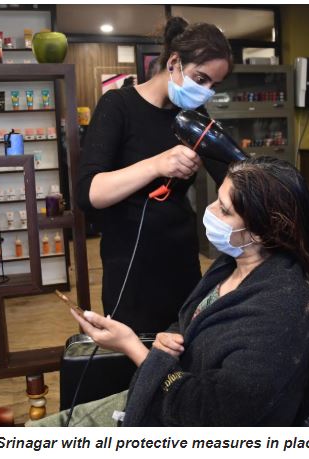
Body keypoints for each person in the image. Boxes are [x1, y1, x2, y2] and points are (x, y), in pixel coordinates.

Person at [31, 157, 309, 427]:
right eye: (216, 200)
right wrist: (167, 341)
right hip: (159, 399)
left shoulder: (281, 311)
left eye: (224, 210)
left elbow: (208, 416)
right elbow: (193, 321)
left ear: (264, 231)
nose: (210, 211)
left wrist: (133, 348)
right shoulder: (232, 264)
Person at [76, 17, 233, 334]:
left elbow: (231, 172)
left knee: (182, 347)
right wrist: (156, 165)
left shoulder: (194, 116)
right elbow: (89, 192)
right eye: (201, 79)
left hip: (181, 258)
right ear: (174, 62)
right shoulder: (118, 106)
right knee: (136, 351)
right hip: (130, 263)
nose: (205, 92)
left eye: (213, 86)